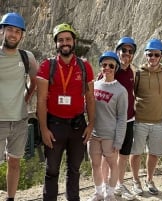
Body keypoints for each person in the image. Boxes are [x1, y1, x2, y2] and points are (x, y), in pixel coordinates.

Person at [36, 23, 95, 201]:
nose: (64, 43)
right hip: (54, 125)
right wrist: (44, 129)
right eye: (60, 40)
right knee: (52, 170)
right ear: (56, 44)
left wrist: (91, 124)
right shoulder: (47, 66)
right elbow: (41, 100)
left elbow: (90, 98)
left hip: (77, 125)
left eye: (68, 39)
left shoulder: (85, 67)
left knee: (74, 169)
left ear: (74, 41)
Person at [0, 12, 38, 201]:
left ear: (22, 35)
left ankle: (10, 198)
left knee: (14, 162)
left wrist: (26, 97)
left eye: (17, 31)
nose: (13, 34)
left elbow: (34, 80)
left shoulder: (27, 57)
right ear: (2, 31)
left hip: (20, 120)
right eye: (9, 30)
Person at [130, 38, 162, 196]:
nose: (152, 58)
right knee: (136, 153)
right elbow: (130, 92)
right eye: (149, 55)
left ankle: (149, 179)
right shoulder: (139, 74)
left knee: (154, 153)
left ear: (161, 55)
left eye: (156, 54)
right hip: (140, 121)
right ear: (145, 55)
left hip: (158, 123)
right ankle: (135, 181)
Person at [87, 51, 128, 201]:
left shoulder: (121, 91)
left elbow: (122, 117)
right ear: (101, 67)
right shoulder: (94, 85)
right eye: (104, 65)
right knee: (95, 164)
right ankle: (98, 192)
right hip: (94, 135)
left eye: (111, 65)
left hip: (110, 135)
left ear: (116, 67)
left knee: (112, 165)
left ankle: (110, 194)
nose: (107, 68)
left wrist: (119, 140)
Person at [112, 37, 137, 200]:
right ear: (117, 52)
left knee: (123, 155)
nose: (126, 54)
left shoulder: (133, 71)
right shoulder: (111, 68)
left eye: (130, 51)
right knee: (110, 155)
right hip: (113, 121)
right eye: (124, 50)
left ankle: (120, 184)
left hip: (129, 120)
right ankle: (109, 186)